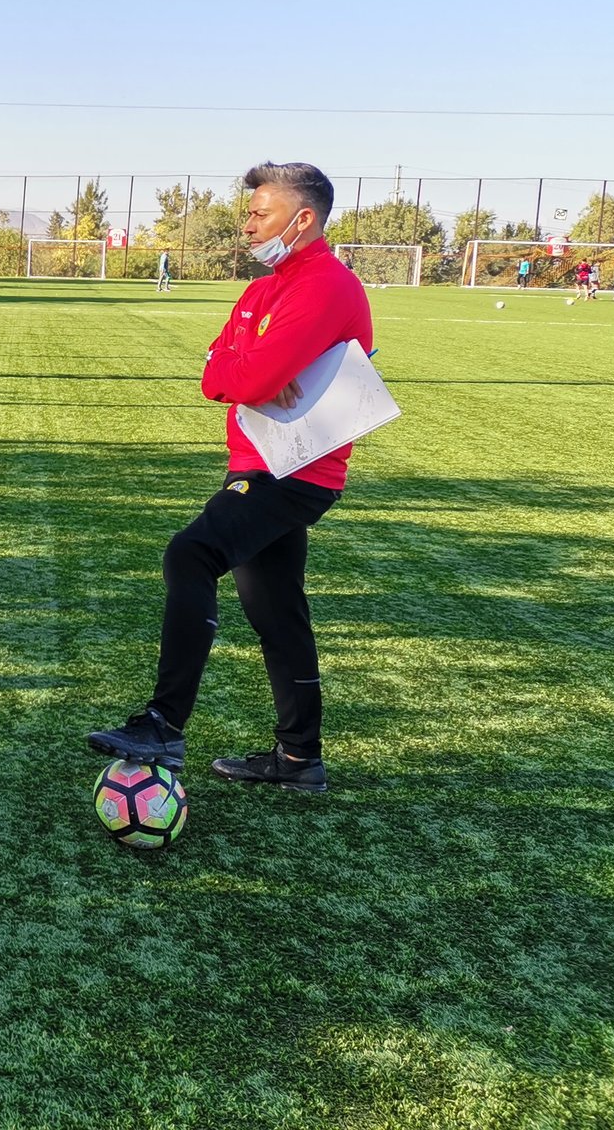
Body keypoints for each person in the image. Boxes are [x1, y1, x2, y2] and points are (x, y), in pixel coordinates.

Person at [86, 162, 372, 794]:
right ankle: (300, 760)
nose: (248, 224)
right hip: (260, 460)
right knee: (276, 610)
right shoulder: (266, 287)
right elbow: (216, 371)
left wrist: (246, 370)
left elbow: (244, 379)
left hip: (292, 469)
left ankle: (164, 722)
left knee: (191, 553)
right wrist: (243, 367)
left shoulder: (325, 286)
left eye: (259, 213)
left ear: (303, 220)